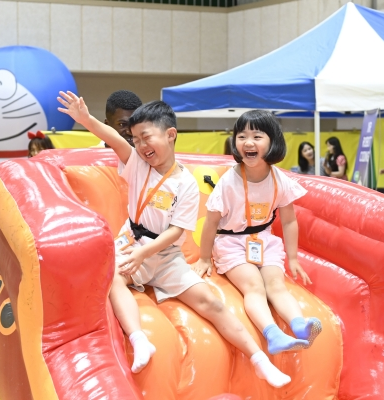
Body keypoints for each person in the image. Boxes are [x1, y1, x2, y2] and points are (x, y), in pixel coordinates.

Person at [58, 92, 291, 388]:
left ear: (170, 135)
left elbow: (176, 232)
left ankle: (260, 360)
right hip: (132, 244)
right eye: (136, 139)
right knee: (110, 275)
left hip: (167, 256)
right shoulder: (136, 164)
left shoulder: (186, 183)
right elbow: (113, 138)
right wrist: (85, 119)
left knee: (211, 302)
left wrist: (145, 256)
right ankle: (139, 339)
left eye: (146, 137)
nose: (141, 145)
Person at [193, 110, 322, 358]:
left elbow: (289, 220)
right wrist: (204, 258)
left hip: (264, 240)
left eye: (257, 136)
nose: (248, 142)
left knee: (276, 285)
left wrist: (293, 258)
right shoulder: (229, 182)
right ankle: (273, 335)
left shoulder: (279, 179)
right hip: (231, 242)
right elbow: (210, 223)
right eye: (241, 136)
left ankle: (300, 326)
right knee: (254, 286)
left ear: (273, 142)